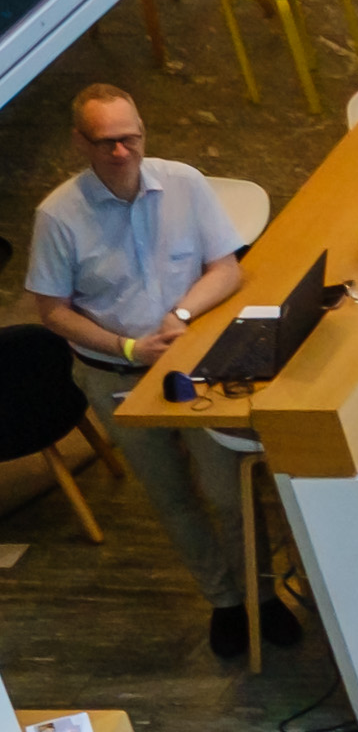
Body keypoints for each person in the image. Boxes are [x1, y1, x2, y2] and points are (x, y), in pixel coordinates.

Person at [27, 87, 254, 651]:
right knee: (172, 496)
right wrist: (129, 350)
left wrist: (180, 314)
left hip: (192, 366)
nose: (123, 153)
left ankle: (261, 594)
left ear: (143, 131)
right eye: (107, 143)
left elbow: (224, 268)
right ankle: (224, 600)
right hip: (116, 376)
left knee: (228, 492)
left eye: (131, 138)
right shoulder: (57, 216)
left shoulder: (184, 182)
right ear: (81, 142)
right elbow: (52, 310)